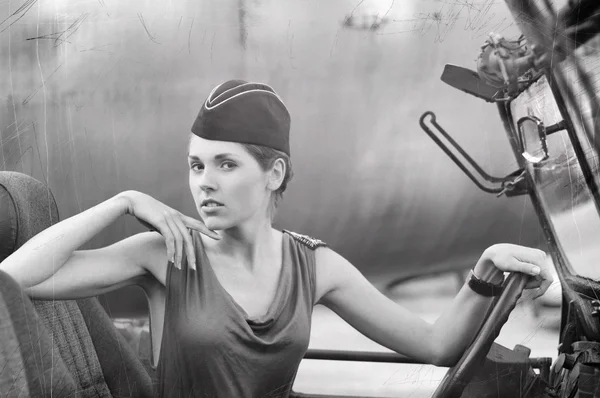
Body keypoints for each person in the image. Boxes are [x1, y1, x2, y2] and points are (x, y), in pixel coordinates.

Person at [0, 79, 553, 398]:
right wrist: (121, 203)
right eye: (196, 166)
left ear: (275, 173)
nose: (203, 183)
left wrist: (484, 273)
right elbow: (12, 282)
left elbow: (436, 348)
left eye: (224, 164)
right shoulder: (166, 252)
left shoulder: (316, 266)